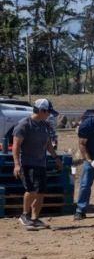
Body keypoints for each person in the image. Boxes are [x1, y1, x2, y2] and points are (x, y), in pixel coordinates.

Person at [11, 99, 63, 231]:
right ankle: (24, 215)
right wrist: (17, 164)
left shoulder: (44, 125)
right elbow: (16, 146)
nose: (49, 115)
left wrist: (56, 157)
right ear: (41, 111)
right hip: (27, 163)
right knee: (31, 190)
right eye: (48, 112)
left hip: (41, 163)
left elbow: (48, 144)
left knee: (40, 192)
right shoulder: (24, 125)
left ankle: (34, 218)